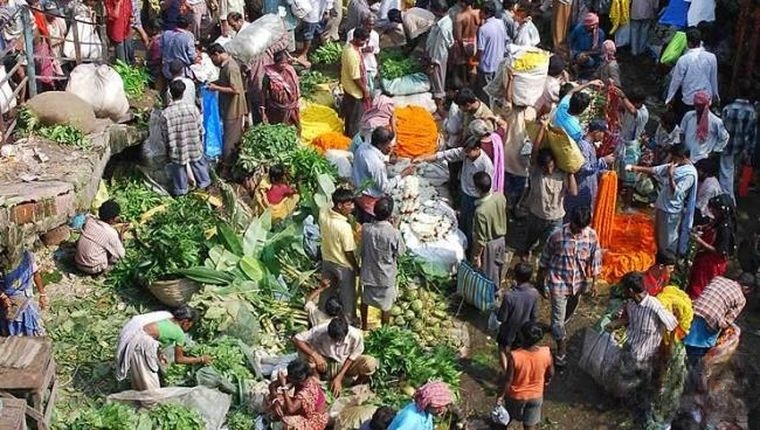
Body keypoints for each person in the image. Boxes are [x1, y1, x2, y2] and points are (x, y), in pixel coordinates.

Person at [606, 272, 678, 420]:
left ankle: (638, 412)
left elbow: (672, 325)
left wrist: (668, 352)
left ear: (631, 290)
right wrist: (614, 324)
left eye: (625, 289)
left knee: (643, 388)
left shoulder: (654, 306)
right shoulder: (631, 304)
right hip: (630, 350)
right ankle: (622, 406)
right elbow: (629, 320)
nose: (623, 292)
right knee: (624, 381)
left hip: (647, 357)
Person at [538, 206, 600, 367]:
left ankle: (558, 328)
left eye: (581, 228)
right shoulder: (557, 236)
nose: (578, 231)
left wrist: (595, 282)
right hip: (558, 283)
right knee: (558, 320)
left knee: (568, 312)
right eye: (576, 227)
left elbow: (595, 260)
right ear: (571, 221)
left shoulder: (591, 236)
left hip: (578, 284)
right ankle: (561, 351)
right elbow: (544, 259)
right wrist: (540, 281)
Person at [413, 137, 494, 251]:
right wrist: (423, 158)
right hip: (464, 193)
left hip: (476, 198)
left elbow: (487, 187)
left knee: (471, 226)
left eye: (468, 151)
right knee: (463, 221)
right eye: (465, 151)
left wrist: (481, 203)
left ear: (477, 149)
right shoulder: (465, 153)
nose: (466, 154)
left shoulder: (486, 165)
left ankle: (469, 249)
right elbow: (445, 155)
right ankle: (462, 242)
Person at [115, 306, 211, 391]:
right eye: (191, 324)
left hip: (136, 339)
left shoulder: (167, 319)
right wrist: (201, 359)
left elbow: (156, 335)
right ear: (185, 322)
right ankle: (150, 402)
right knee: (149, 381)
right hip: (142, 345)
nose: (190, 327)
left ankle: (139, 394)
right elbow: (179, 359)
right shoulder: (179, 334)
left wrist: (159, 353)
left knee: (139, 372)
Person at [629, 144, 697, 255]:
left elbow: (677, 193)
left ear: (683, 157)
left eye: (674, 157)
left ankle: (668, 259)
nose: (672, 159)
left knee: (668, 239)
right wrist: (634, 168)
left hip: (671, 211)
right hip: (662, 206)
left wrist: (670, 176)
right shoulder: (675, 165)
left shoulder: (689, 174)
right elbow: (654, 170)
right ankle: (659, 256)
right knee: (658, 235)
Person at [511, 147, 578, 260]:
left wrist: (571, 172)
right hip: (537, 215)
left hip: (555, 217)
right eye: (546, 167)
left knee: (551, 241)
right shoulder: (536, 172)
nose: (549, 170)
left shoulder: (562, 174)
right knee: (531, 238)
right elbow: (534, 153)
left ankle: (542, 257)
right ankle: (526, 251)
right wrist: (541, 134)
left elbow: (574, 192)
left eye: (551, 166)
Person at [293, 317, 378, 395]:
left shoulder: (356, 335)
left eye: (339, 339)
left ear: (346, 334)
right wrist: (315, 355)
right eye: (333, 339)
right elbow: (297, 339)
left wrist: (339, 377)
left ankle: (354, 386)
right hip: (324, 364)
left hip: (344, 363)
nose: (336, 343)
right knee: (307, 355)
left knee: (369, 363)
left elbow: (352, 357)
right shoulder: (320, 330)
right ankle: (317, 384)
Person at [359, 197, 405, 330]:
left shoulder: (366, 228)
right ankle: (384, 331)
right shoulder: (393, 233)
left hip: (369, 274)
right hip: (385, 276)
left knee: (365, 301)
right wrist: (395, 227)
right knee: (386, 306)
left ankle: (364, 326)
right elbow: (401, 252)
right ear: (390, 215)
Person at [352, 127, 415, 221]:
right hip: (368, 200)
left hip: (358, 192)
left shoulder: (363, 147)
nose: (390, 146)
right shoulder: (377, 165)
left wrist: (387, 159)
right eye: (388, 144)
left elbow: (373, 156)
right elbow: (385, 187)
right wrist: (402, 174)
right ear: (380, 144)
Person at [161, 80, 211, 196]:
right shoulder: (192, 109)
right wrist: (200, 140)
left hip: (177, 147)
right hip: (193, 143)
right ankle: (205, 186)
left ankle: (182, 191)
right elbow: (200, 128)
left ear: (170, 94)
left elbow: (164, 135)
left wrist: (167, 148)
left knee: (179, 168)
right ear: (183, 93)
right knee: (198, 164)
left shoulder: (166, 113)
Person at [500, 322, 553, 430]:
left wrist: (501, 395)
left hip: (516, 396)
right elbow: (551, 372)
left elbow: (508, 379)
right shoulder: (546, 353)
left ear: (522, 337)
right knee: (530, 425)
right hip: (536, 396)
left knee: (506, 417)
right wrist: (546, 382)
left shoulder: (515, 356)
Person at [683, 276, 748, 364]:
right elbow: (727, 321)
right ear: (746, 288)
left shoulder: (718, 279)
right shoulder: (741, 299)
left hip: (692, 311)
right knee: (695, 359)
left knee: (683, 346)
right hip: (708, 323)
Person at [319, 189, 360, 321]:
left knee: (326, 291)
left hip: (327, 260)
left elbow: (327, 205)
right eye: (349, 204)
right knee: (347, 296)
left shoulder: (324, 213)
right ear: (339, 205)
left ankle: (320, 317)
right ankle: (349, 320)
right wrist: (356, 267)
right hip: (343, 265)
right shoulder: (343, 227)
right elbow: (348, 252)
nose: (352, 207)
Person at [687, 194, 736, 299]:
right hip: (704, 258)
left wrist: (699, 241)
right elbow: (713, 225)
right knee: (694, 280)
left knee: (700, 287)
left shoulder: (725, 229)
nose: (712, 211)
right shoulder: (719, 220)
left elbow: (720, 251)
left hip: (712, 263)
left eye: (715, 210)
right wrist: (702, 227)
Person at [665, 29, 719, 121]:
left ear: (689, 43)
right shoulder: (712, 57)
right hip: (705, 99)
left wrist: (669, 98)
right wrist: (716, 95)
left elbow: (676, 81)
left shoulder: (684, 59)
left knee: (686, 123)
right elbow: (713, 79)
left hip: (689, 99)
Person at [208, 43, 247, 168]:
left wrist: (216, 88)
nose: (213, 62)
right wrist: (214, 83)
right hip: (228, 107)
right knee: (229, 136)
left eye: (212, 58)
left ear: (217, 54)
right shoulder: (225, 66)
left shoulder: (230, 67)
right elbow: (225, 82)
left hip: (234, 109)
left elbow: (235, 90)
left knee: (230, 140)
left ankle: (227, 166)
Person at [564, 119, 613, 216]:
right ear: (596, 132)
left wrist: (601, 171)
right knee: (578, 216)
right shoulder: (584, 146)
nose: (603, 137)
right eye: (603, 133)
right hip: (581, 189)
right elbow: (584, 169)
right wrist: (603, 161)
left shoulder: (591, 145)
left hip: (588, 188)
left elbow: (592, 167)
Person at [496, 263, 539, 371]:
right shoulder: (534, 293)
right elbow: (534, 316)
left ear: (515, 276)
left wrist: (496, 310)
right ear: (530, 277)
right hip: (524, 332)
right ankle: (515, 372)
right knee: (518, 354)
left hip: (508, 331)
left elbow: (502, 318)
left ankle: (507, 372)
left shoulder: (509, 296)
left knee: (502, 348)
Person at [0, 240, 47, 336]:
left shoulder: (27, 257)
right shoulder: (2, 262)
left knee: (29, 320)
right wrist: (3, 296)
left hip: (24, 296)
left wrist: (42, 294)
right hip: (7, 299)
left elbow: (36, 274)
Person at [719, 85, 756, 200]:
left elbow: (721, 129)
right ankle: (731, 195)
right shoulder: (752, 112)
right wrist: (749, 151)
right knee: (734, 170)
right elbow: (752, 134)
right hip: (742, 147)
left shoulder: (728, 109)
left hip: (727, 145)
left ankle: (728, 198)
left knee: (726, 171)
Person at [268, 358, 329, 429]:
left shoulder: (307, 390)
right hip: (300, 409)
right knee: (273, 400)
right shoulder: (296, 376)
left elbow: (291, 409)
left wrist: (284, 387)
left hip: (313, 420)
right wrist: (276, 401)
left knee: (288, 423)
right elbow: (272, 386)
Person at [471, 172, 507, 285]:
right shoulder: (500, 197)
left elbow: (481, 240)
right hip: (501, 240)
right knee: (498, 267)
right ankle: (498, 286)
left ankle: (491, 293)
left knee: (488, 275)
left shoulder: (480, 212)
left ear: (478, 189)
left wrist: (477, 256)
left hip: (490, 245)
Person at [75, 200, 126, 275]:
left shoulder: (89, 221)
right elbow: (121, 255)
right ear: (112, 219)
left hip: (78, 262)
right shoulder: (111, 233)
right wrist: (121, 234)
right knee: (114, 256)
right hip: (92, 268)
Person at [679, 90, 729, 164]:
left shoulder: (716, 121)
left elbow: (724, 137)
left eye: (700, 106)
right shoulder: (688, 116)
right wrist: (683, 147)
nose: (697, 108)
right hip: (686, 157)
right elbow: (682, 132)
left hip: (703, 159)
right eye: (696, 105)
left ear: (706, 105)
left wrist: (714, 151)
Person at [425, 0, 454, 117]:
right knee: (437, 81)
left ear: (438, 10)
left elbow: (440, 48)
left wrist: (433, 63)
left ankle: (440, 109)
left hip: (437, 59)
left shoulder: (443, 27)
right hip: (435, 56)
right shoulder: (441, 21)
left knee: (438, 83)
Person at [341, 28, 372, 138]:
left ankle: (348, 134)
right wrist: (365, 91)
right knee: (355, 119)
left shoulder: (348, 47)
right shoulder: (352, 55)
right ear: (356, 38)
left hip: (348, 87)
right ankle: (353, 139)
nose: (364, 43)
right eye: (362, 40)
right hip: (355, 92)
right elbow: (356, 77)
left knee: (350, 116)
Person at [474, 1, 507, 104]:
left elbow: (480, 50)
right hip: (498, 64)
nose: (479, 13)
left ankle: (489, 111)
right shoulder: (500, 23)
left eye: (481, 11)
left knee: (486, 95)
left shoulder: (483, 29)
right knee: (495, 92)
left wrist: (474, 60)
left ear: (486, 13)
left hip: (486, 66)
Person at [262, 50, 301, 133]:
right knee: (279, 129)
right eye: (281, 63)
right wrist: (263, 107)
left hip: (292, 106)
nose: (283, 65)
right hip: (277, 109)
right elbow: (264, 91)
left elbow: (296, 85)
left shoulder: (290, 71)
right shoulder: (269, 74)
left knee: (295, 127)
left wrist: (298, 99)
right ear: (275, 63)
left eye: (285, 63)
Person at [388, 381, 454, 429]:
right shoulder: (411, 419)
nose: (443, 410)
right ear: (429, 403)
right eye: (439, 407)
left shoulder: (427, 414)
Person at [347, 14, 380, 94]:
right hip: (357, 67)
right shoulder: (352, 33)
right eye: (368, 24)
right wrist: (362, 50)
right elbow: (349, 49)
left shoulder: (375, 35)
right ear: (363, 23)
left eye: (372, 25)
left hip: (370, 66)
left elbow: (376, 52)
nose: (370, 27)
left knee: (369, 91)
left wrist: (378, 67)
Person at [295, 0, 335, 66]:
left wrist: (328, 9)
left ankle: (304, 54)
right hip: (308, 11)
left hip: (313, 13)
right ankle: (312, 50)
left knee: (308, 34)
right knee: (315, 31)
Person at [470, 119, 504, 192]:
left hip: (482, 178)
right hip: (495, 174)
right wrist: (494, 118)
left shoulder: (477, 148)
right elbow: (504, 124)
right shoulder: (496, 137)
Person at [452, 0, 480, 88]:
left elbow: (458, 37)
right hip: (474, 42)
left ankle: (464, 87)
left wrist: (461, 47)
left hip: (464, 43)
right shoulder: (478, 13)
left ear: (463, 3)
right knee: (472, 66)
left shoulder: (460, 17)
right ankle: (472, 87)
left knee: (462, 66)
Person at [568, 13, 605, 79]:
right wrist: (571, 51)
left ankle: (581, 69)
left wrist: (586, 53)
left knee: (584, 58)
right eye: (591, 25)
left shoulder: (600, 33)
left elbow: (599, 50)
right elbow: (570, 40)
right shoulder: (578, 29)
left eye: (595, 24)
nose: (593, 27)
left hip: (592, 57)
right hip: (577, 52)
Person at [160, 16, 195, 80]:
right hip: (181, 71)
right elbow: (192, 56)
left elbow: (161, 50)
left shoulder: (166, 34)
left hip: (166, 69)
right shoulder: (188, 37)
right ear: (188, 26)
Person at [694, 158, 722, 224]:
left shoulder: (709, 187)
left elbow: (700, 208)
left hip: (707, 216)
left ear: (706, 173)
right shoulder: (704, 180)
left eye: (699, 170)